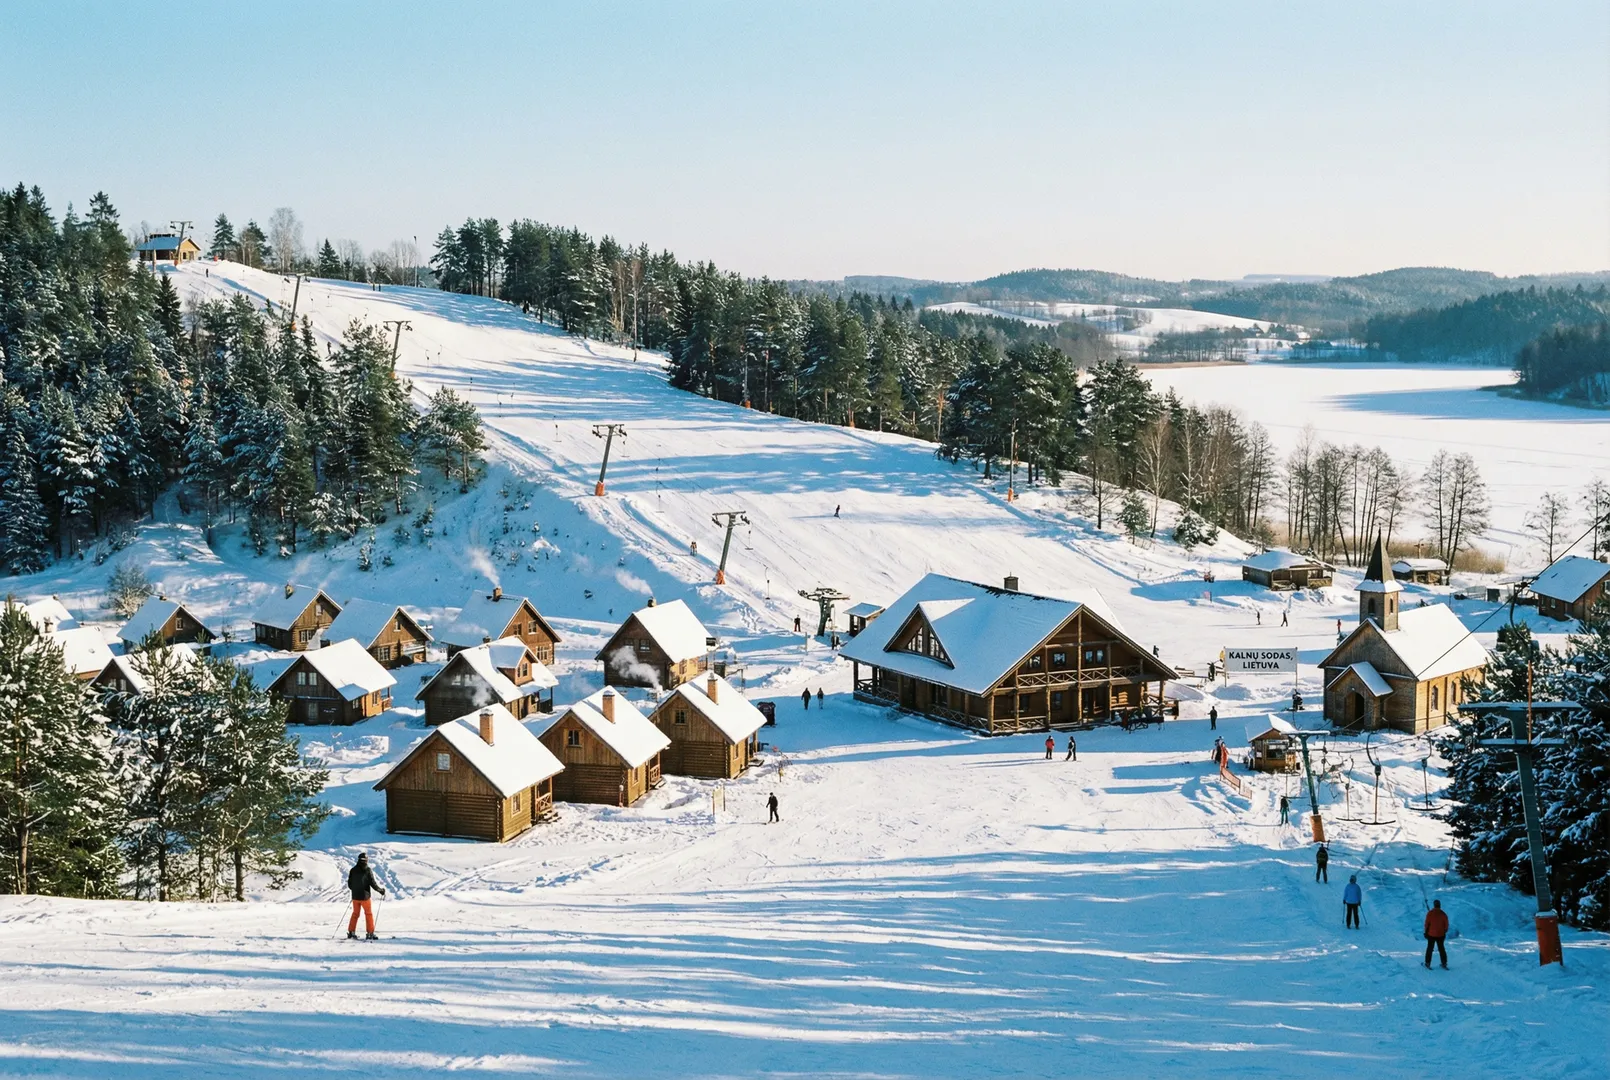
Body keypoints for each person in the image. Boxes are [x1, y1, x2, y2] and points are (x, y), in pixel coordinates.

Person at [347, 853, 385, 940]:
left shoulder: (353, 870)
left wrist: (355, 890)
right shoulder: (367, 870)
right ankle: (370, 933)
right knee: (368, 914)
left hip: (355, 897)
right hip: (365, 897)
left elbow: (350, 884)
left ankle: (351, 932)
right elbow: (373, 883)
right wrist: (381, 890)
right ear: (366, 860)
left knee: (355, 914)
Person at [1424, 900, 1449, 968]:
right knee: (1441, 949)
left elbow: (1426, 924)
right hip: (1441, 935)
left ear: (1434, 905)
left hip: (1431, 934)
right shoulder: (1443, 914)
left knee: (1429, 949)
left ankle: (1427, 963)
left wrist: (1426, 932)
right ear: (1440, 905)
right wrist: (1444, 931)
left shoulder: (1430, 913)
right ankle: (1444, 963)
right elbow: (1446, 926)